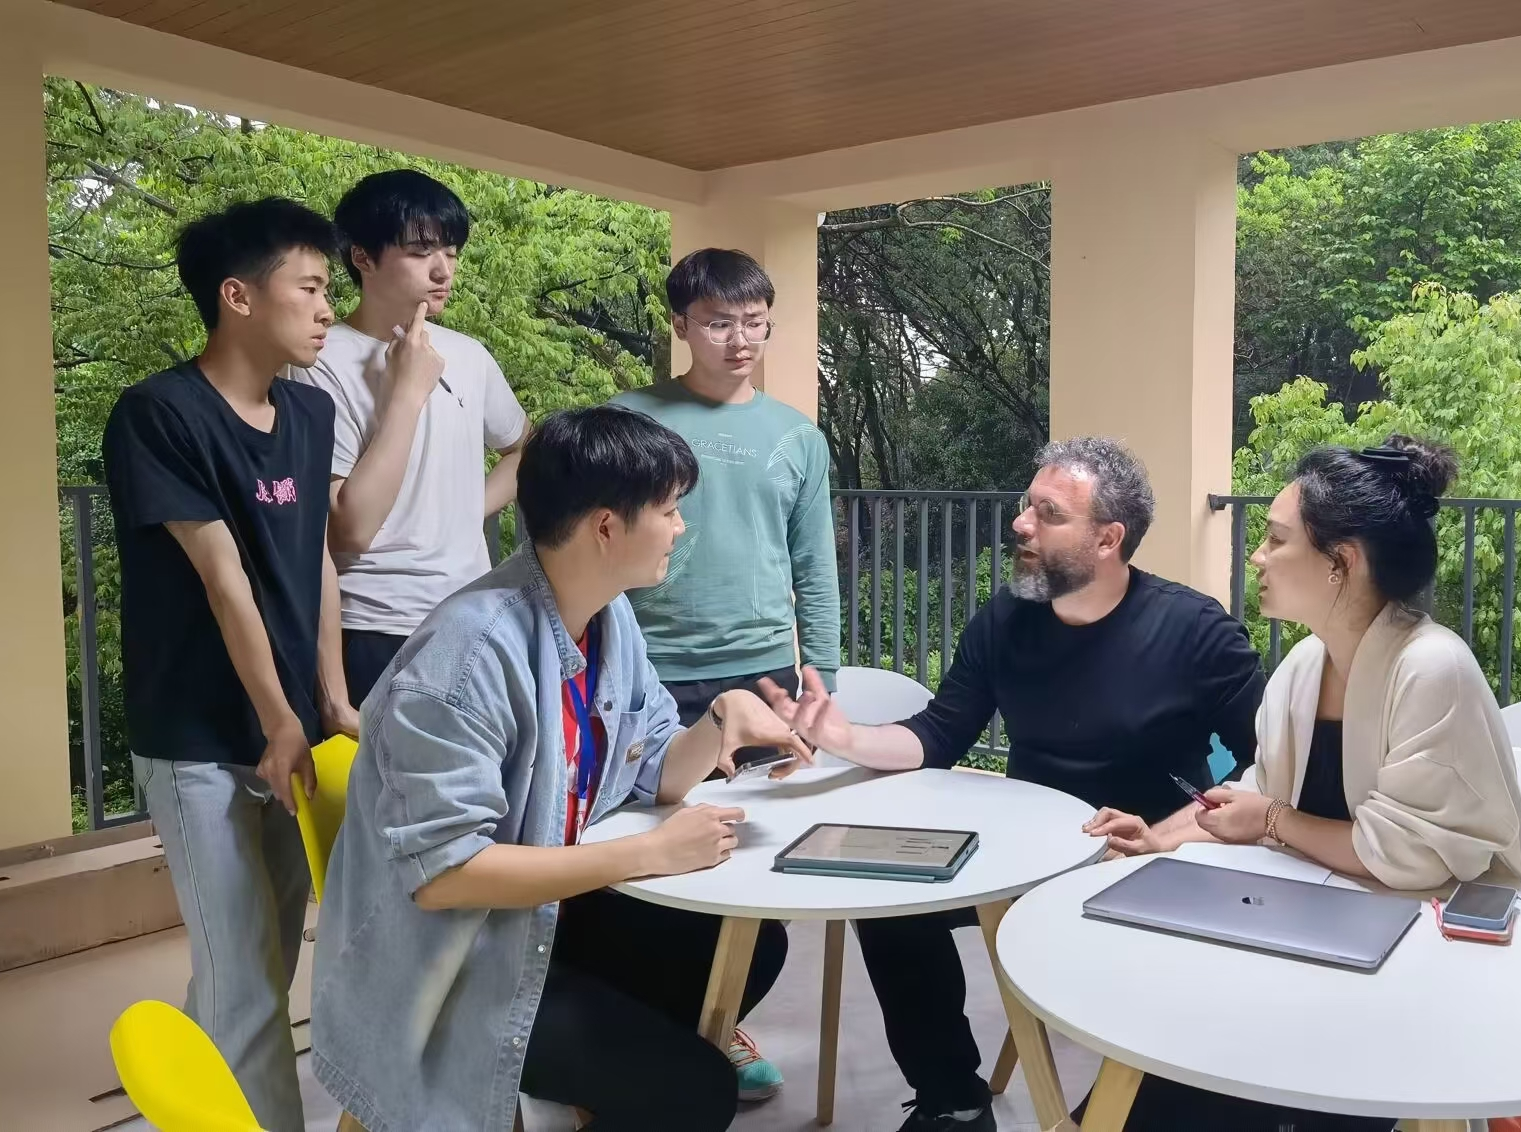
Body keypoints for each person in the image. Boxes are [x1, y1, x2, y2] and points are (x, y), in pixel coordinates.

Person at [309, 406, 814, 1132]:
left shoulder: (607, 617)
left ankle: (611, 1080)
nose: (681, 528)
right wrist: (648, 852)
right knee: (695, 1092)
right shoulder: (464, 661)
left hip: (544, 919)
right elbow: (446, 875)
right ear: (607, 528)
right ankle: (622, 1080)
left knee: (752, 945)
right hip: (458, 965)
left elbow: (655, 770)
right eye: (669, 510)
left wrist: (720, 719)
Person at [760, 437, 1266, 1132]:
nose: (1020, 524)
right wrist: (843, 738)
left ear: (1108, 539)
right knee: (888, 901)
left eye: (1048, 513)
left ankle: (1127, 1107)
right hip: (1024, 855)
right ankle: (952, 1098)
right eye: (1028, 505)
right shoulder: (1006, 619)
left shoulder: (1194, 630)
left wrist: (1167, 836)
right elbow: (938, 735)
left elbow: (1267, 766)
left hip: (1144, 863)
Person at [1085, 435, 1521, 1132]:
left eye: (1275, 538)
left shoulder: (1430, 667)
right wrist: (1161, 838)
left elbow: (1406, 856)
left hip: (1417, 966)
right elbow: (1258, 789)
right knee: (1169, 1057)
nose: (1257, 556)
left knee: (1197, 1080)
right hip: (1320, 941)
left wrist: (1273, 821)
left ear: (1340, 563)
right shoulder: (1304, 666)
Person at [102, 197, 353, 1132]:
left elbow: (317, 560)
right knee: (242, 976)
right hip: (198, 735)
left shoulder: (311, 410)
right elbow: (223, 577)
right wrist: (281, 721)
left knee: (262, 961)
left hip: (287, 727)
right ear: (237, 296)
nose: (328, 308)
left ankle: (195, 1105)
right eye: (311, 287)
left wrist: (330, 699)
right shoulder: (158, 413)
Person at [610, 247, 837, 1098]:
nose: (740, 340)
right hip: (651, 672)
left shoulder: (796, 436)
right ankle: (629, 1031)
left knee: (748, 865)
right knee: (641, 861)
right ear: (680, 325)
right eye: (717, 323)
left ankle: (717, 1020)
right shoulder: (630, 418)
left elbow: (814, 563)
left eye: (754, 322)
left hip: (764, 673)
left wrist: (822, 674)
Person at [291, 169, 530, 707]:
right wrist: (406, 391)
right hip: (371, 623)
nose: (443, 269)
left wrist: (470, 507)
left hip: (472, 616)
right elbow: (348, 529)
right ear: (362, 257)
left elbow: (523, 448)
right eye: (421, 252)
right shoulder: (318, 361)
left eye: (451, 251)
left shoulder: (468, 354)